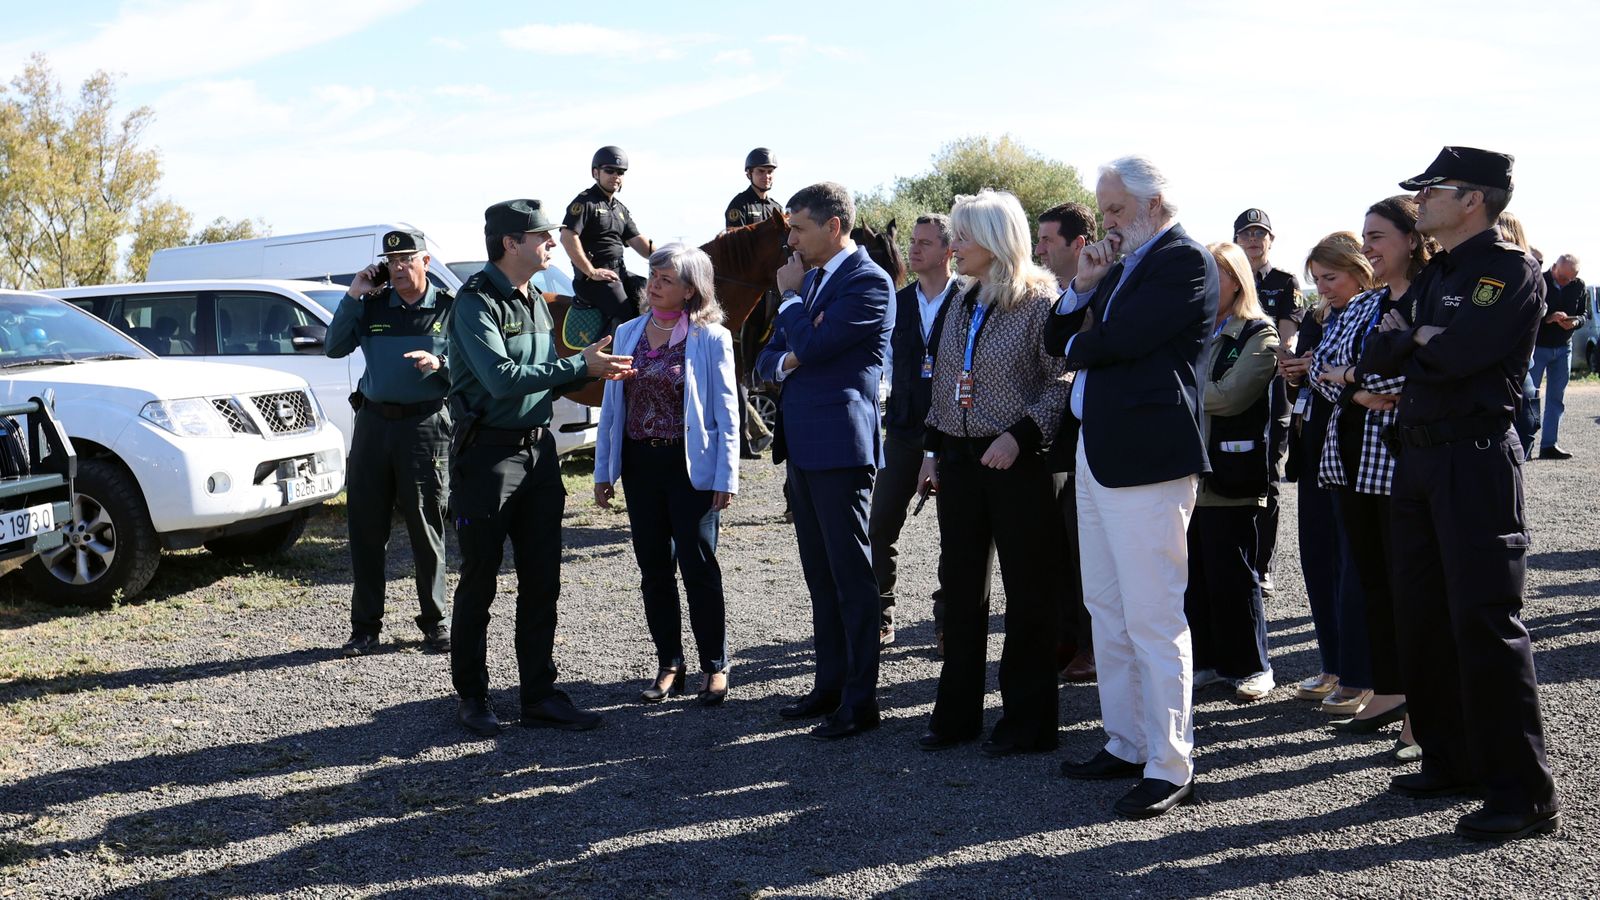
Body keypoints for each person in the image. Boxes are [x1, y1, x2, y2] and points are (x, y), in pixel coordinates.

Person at [1358, 146, 1559, 841]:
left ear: (1472, 199)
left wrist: (1413, 340)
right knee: (1423, 617)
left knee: (1483, 621)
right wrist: (1419, 336)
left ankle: (1524, 792)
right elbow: (1379, 354)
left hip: (1473, 459)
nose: (1419, 201)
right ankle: (1451, 759)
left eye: (1431, 190)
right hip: (1417, 458)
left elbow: (1455, 356)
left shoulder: (1509, 272)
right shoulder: (1437, 271)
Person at [1047, 156, 1216, 819]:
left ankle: (1170, 762)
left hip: (1148, 460)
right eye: (1103, 209)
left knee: (1152, 617)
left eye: (1115, 210)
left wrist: (1091, 336)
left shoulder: (1184, 261)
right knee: (1107, 608)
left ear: (1155, 205)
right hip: (1099, 451)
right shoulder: (1119, 266)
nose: (1105, 223)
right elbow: (1058, 336)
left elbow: (1115, 343)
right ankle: (1125, 740)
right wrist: (1084, 292)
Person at [448, 199, 635, 737]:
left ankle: (538, 694)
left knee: (542, 579)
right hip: (488, 456)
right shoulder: (475, 303)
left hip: (537, 451)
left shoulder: (533, 297)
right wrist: (580, 365)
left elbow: (540, 376)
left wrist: (593, 372)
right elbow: (503, 379)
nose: (553, 243)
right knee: (480, 580)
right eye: (543, 236)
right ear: (511, 243)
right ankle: (473, 697)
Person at [913, 190, 1070, 756]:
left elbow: (1066, 380)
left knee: (1028, 594)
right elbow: (943, 377)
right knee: (959, 592)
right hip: (958, 461)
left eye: (964, 236)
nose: (954, 244)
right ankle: (956, 715)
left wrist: (1019, 434)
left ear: (997, 241)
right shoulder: (961, 296)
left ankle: (1027, 723)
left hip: (1019, 464)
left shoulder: (1041, 300)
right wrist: (932, 450)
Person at [755, 182, 894, 740]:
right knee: (820, 575)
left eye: (797, 228)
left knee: (851, 575)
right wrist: (795, 338)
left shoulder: (868, 283)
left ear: (834, 226)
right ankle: (830, 686)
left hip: (840, 446)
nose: (789, 240)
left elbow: (812, 348)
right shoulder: (811, 280)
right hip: (805, 446)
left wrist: (792, 311)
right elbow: (768, 356)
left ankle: (862, 701)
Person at [1310, 199, 1433, 753]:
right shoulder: (1368, 306)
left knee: (1414, 589)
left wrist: (1359, 376)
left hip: (1403, 466)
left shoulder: (1433, 296)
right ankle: (1388, 690)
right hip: (1350, 465)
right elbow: (1318, 366)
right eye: (1363, 237)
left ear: (1411, 238)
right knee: (1373, 584)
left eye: (1377, 236)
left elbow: (1422, 374)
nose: (1368, 248)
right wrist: (1360, 385)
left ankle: (1425, 707)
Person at [594, 244, 740, 706]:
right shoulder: (628, 332)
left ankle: (714, 665)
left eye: (665, 279)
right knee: (654, 569)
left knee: (699, 566)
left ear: (691, 290)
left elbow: (727, 412)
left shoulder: (711, 337)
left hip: (690, 468)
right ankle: (669, 664)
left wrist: (726, 476)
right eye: (652, 277)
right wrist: (604, 471)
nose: (653, 285)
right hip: (640, 465)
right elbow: (612, 410)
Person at [326, 228, 454, 657]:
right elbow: (333, 346)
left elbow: (473, 366)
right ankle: (365, 627)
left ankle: (435, 622)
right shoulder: (373, 306)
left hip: (424, 427)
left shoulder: (450, 309)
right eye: (392, 261)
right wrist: (354, 293)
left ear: (425, 263)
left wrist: (441, 363)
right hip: (373, 426)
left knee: (426, 525)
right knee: (365, 528)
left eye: (407, 260)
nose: (399, 267)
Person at [1281, 234, 1374, 716]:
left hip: (1353, 446)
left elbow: (1360, 378)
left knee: (1350, 561)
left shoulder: (1373, 312)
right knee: (1318, 555)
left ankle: (1362, 674)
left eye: (1330, 278)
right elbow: (1322, 372)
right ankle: (1334, 663)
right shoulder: (1323, 317)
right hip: (1314, 443)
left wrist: (1317, 370)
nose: (1323, 289)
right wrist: (1303, 372)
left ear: (1360, 270)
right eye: (1316, 280)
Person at [1188, 242, 1280, 702]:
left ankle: (1252, 666)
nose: (1207, 283)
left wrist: (1178, 386)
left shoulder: (1259, 335)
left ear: (1239, 280)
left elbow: (1229, 396)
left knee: (1233, 575)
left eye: (1217, 274)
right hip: (1187, 474)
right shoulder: (1193, 331)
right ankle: (1207, 662)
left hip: (1230, 474)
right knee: (1195, 578)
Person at [869, 213, 955, 649]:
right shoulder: (897, 302)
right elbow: (882, 361)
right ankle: (881, 615)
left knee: (955, 533)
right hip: (903, 431)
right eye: (913, 242)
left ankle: (946, 623)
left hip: (956, 436)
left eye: (925, 242)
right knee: (880, 523)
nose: (914, 249)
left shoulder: (969, 299)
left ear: (948, 250)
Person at [1035, 201, 1097, 683]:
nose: (1039, 249)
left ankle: (1092, 647)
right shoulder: (1045, 293)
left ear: (1078, 244)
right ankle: (1064, 636)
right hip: (1047, 440)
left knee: (1085, 546)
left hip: (1086, 433)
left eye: (1048, 240)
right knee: (1054, 544)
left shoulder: (1102, 291)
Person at [1233, 208, 1302, 601]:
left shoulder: (1284, 282)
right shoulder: (1226, 279)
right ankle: (1236, 558)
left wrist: (1280, 350)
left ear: (1271, 240)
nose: (1254, 240)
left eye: (1261, 234)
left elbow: (1287, 328)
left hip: (1270, 383)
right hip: (1230, 384)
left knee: (1269, 475)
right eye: (1247, 234)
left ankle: (1262, 566)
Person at [724, 148, 783, 461]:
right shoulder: (739, 206)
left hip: (771, 282)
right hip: (747, 283)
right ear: (749, 174)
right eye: (761, 171)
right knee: (755, 314)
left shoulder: (776, 207)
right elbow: (734, 243)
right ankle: (748, 369)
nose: (766, 175)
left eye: (770, 170)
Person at [562, 146, 655, 327]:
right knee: (628, 318)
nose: (616, 175)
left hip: (619, 272)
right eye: (609, 170)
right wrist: (591, 271)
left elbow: (639, 243)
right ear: (595, 172)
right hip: (592, 280)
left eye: (620, 172)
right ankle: (619, 354)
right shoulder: (584, 202)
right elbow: (567, 236)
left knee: (654, 296)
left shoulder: (620, 209)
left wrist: (671, 257)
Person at [1529, 253, 1585, 459]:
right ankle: (1525, 443)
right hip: (1538, 347)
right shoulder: (1537, 280)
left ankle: (1549, 445)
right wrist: (1548, 318)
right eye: (1563, 278)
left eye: (1570, 279)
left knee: (1556, 399)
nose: (1566, 283)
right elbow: (1527, 312)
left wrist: (1575, 322)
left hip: (1564, 348)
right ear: (1554, 267)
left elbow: (1584, 314)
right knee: (1529, 397)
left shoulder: (1578, 285)